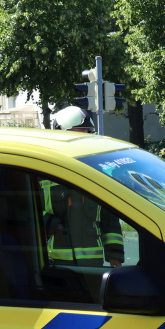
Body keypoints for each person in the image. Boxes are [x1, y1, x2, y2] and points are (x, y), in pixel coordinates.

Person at [45, 106, 122, 267]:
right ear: (62, 134)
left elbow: (110, 220)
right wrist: (51, 223)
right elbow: (28, 213)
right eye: (80, 133)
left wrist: (114, 257)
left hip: (92, 267)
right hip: (55, 266)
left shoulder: (96, 173)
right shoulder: (43, 171)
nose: (85, 138)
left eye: (88, 133)